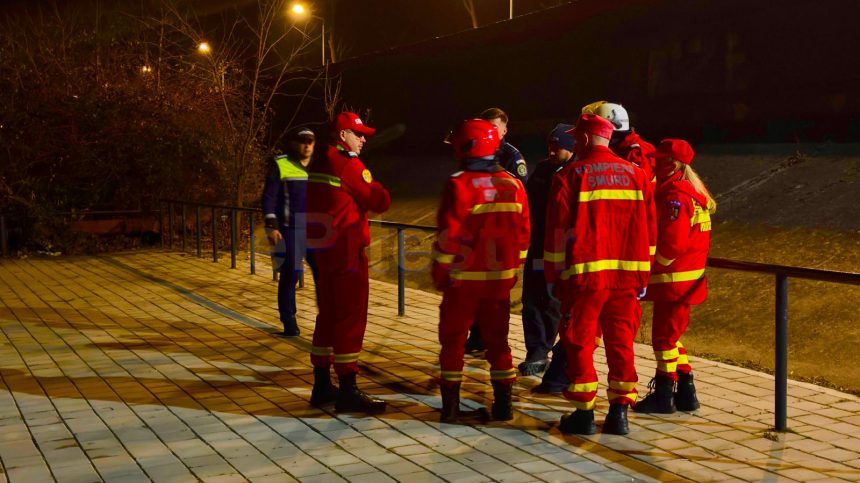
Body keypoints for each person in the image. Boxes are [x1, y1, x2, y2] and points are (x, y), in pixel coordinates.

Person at [544, 114, 653, 435]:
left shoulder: (570, 175)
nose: (575, 142)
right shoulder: (637, 174)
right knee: (621, 342)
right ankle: (620, 412)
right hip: (627, 278)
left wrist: (553, 275)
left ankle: (584, 413)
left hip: (584, 279)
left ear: (588, 139)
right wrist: (643, 276)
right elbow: (650, 230)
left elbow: (557, 232)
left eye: (578, 138)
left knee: (579, 341)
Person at [433, 118, 530, 423]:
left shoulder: (459, 184)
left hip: (463, 281)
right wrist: (512, 268)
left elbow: (449, 235)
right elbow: (524, 233)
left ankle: (450, 408)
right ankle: (503, 406)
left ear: (466, 146)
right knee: (498, 341)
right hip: (499, 281)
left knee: (453, 340)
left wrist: (441, 272)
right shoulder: (513, 185)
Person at [306, 112, 391, 413]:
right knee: (350, 318)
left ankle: (321, 383)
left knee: (328, 315)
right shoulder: (348, 163)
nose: (364, 139)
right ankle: (348, 389)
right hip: (346, 250)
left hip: (323, 250)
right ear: (342, 135)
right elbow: (380, 200)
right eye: (358, 134)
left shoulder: (319, 160)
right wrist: (374, 185)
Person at [634, 139, 715, 414]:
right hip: (686, 281)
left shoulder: (675, 196)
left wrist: (649, 268)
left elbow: (672, 244)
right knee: (672, 337)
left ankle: (664, 394)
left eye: (659, 159)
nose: (654, 163)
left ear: (672, 164)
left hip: (673, 281)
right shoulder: (693, 191)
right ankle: (686, 391)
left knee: (664, 341)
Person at [463, 107, 528, 355]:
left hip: (499, 236)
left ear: (504, 129)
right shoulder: (475, 152)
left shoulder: (512, 157)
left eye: (494, 127)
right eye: (486, 126)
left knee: (495, 297)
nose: (490, 131)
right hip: (479, 235)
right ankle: (478, 336)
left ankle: (491, 340)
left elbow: (518, 196)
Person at [518, 124, 574, 377]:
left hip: (561, 251)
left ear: (571, 147)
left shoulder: (575, 173)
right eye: (550, 145)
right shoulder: (542, 169)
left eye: (558, 146)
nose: (552, 151)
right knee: (531, 298)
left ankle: (548, 352)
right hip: (539, 248)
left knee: (552, 302)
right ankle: (536, 352)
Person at [262, 127, 319, 337]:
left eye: (310, 141)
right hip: (290, 229)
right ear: (294, 143)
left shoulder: (319, 167)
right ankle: (289, 320)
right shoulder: (281, 163)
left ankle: (325, 321)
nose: (306, 145)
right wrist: (271, 225)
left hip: (315, 229)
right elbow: (269, 197)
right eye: (302, 141)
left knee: (323, 274)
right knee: (291, 274)